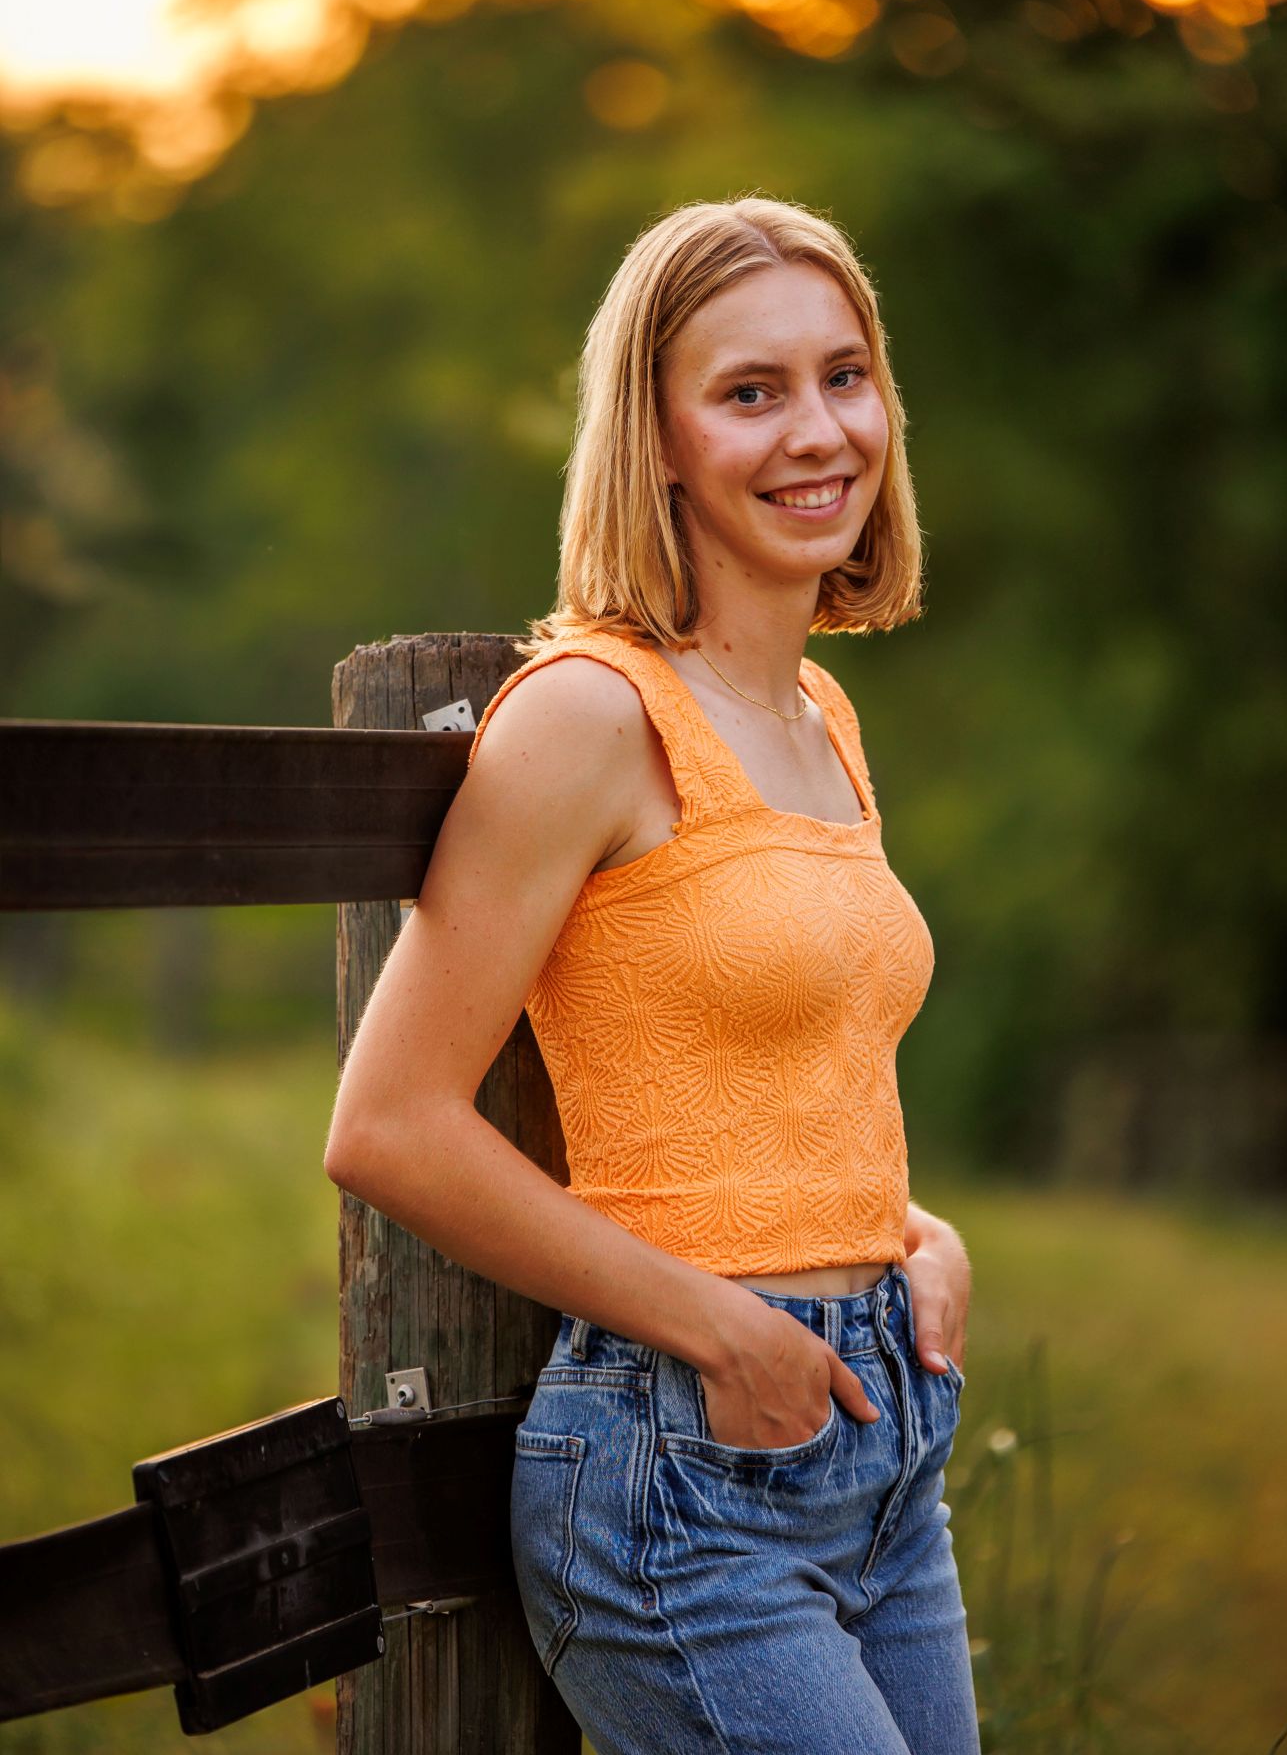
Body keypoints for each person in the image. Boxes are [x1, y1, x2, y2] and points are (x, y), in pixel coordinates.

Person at [324, 193, 980, 1753]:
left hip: (878, 1444)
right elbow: (390, 1124)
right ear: (659, 439)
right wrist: (726, 1327)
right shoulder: (585, 715)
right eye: (748, 393)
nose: (816, 431)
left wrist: (901, 1234)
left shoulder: (820, 715)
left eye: (842, 375)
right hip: (682, 1471)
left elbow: (765, 1066)